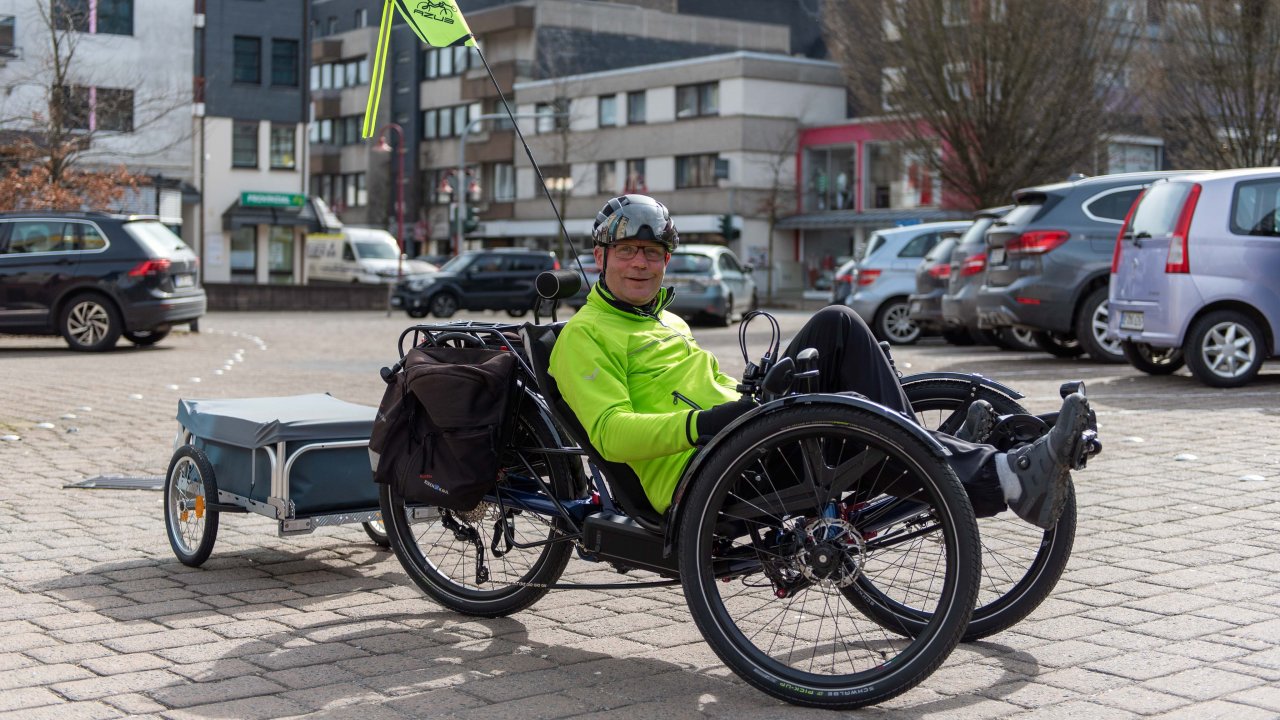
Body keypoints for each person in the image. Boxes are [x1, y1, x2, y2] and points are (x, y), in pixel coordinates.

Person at [549, 195, 1091, 530]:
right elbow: (613, 435)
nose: (641, 265)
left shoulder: (669, 322)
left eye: (653, 254)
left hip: (739, 441)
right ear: (600, 259)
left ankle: (946, 449)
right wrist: (707, 423)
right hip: (704, 475)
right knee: (847, 412)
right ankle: (1003, 477)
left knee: (838, 326)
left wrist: (744, 396)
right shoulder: (585, 336)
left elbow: (709, 390)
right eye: (627, 252)